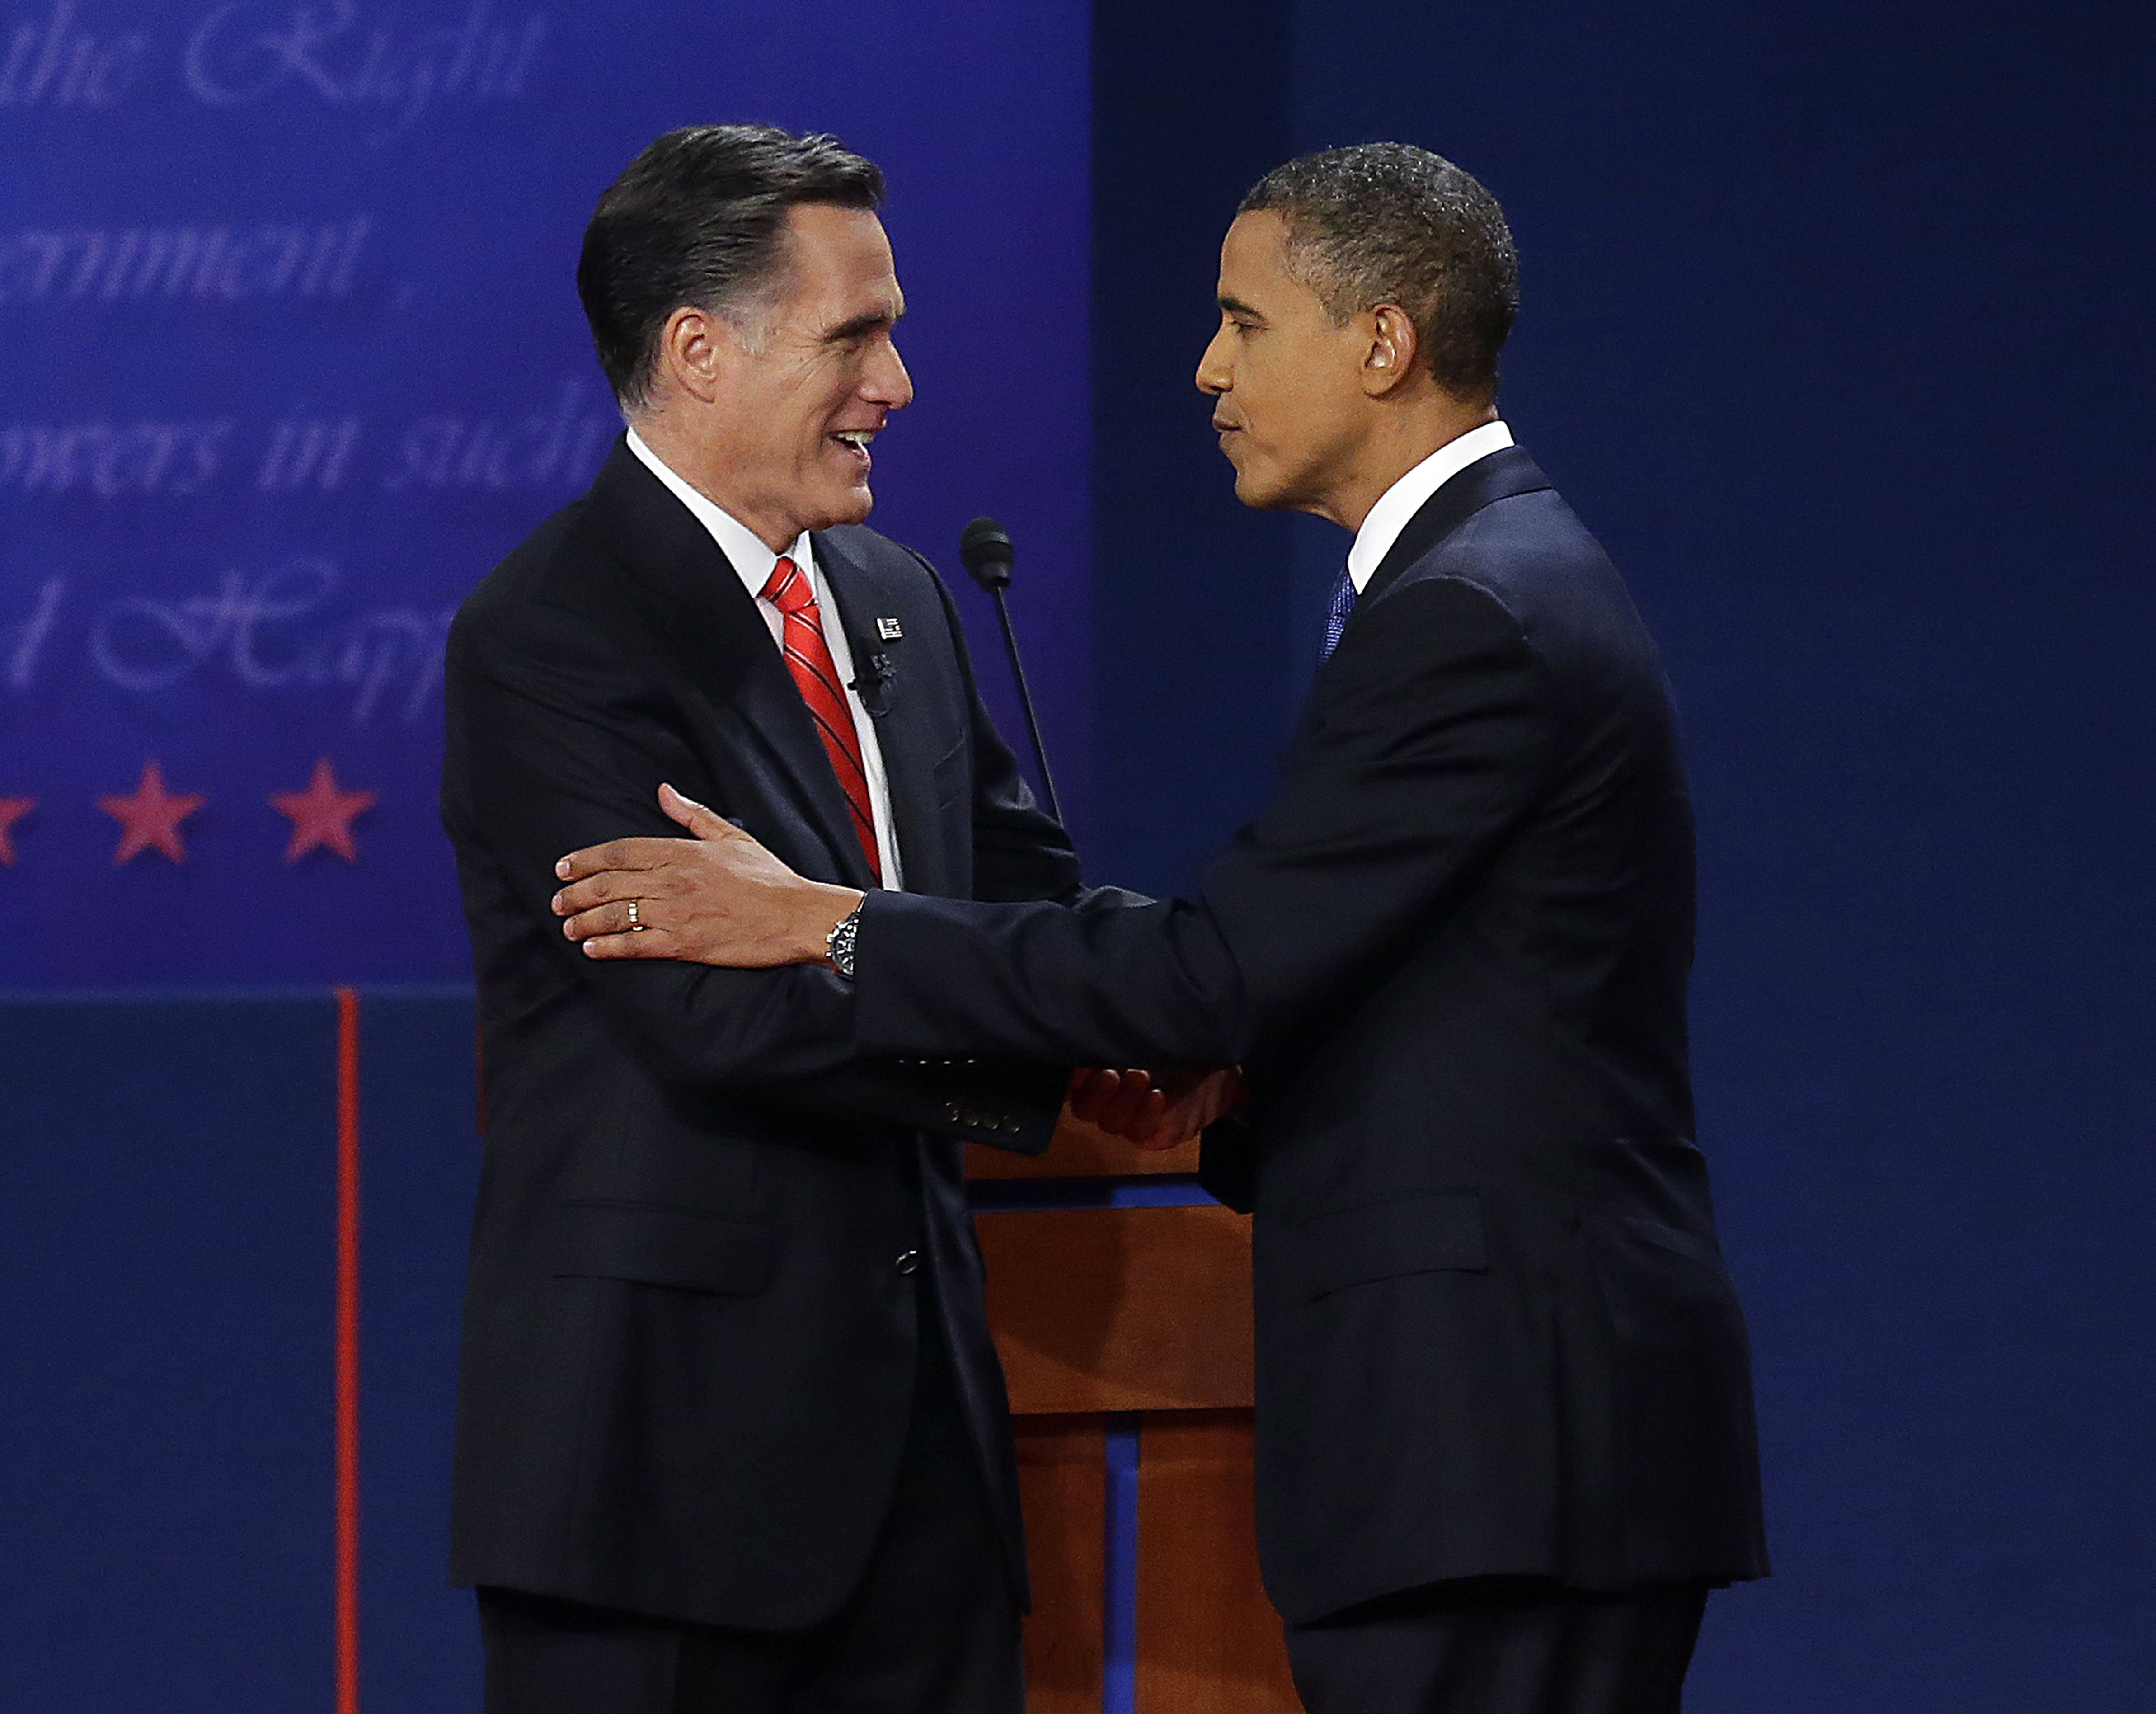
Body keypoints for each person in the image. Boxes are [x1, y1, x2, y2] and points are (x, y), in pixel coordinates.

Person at [549, 142, 1771, 1714]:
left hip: (1499, 1444)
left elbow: (1216, 970)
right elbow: (1407, 992)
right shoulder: (1496, 578)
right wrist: (1229, 1078)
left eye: (1245, 323)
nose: (1206, 367)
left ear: (1381, 343)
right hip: (1514, 1446)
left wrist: (830, 925)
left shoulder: (1468, 614)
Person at [439, 123, 1098, 1714]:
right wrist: (1047, 1025)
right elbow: (721, 1013)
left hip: (926, 1469)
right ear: (698, 351)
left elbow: (1024, 899)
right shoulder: (554, 636)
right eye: (853, 337)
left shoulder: (897, 597)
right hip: (666, 1487)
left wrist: (1191, 993)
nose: (898, 384)